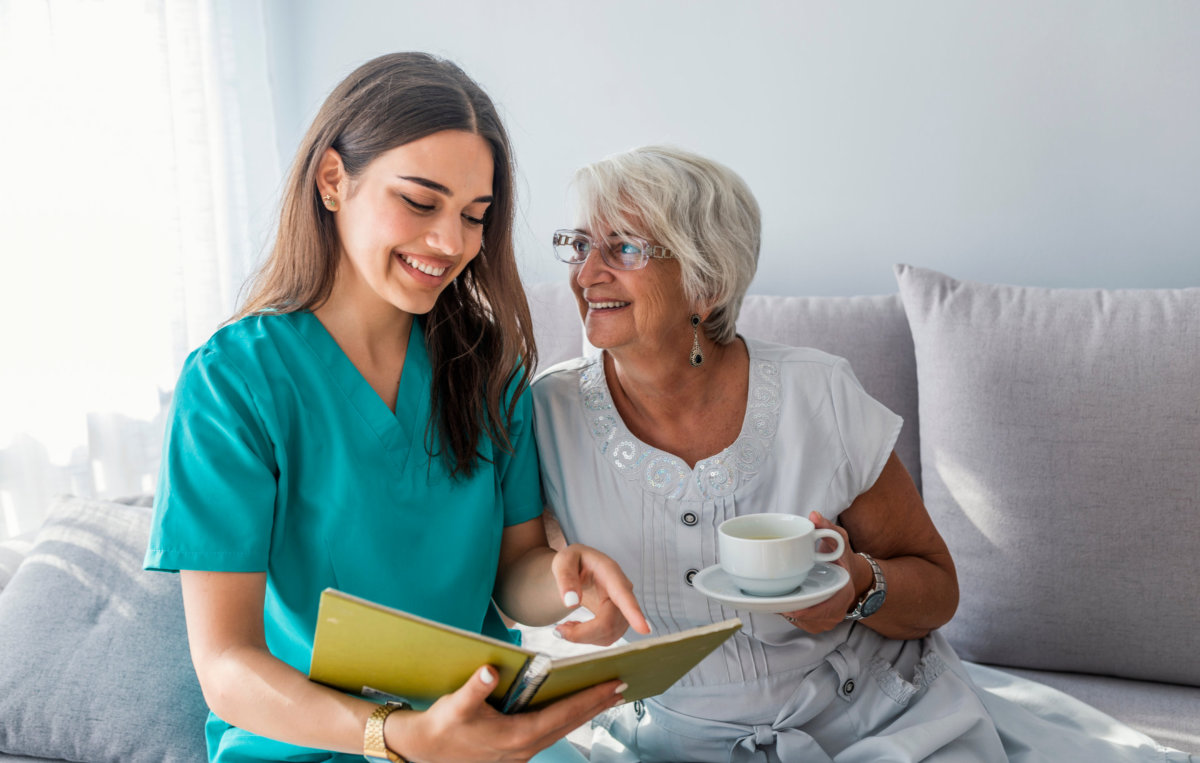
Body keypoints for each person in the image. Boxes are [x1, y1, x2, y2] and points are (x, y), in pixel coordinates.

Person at [532, 145, 1192, 762]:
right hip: (671, 741)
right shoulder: (547, 413)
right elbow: (516, 574)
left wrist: (856, 586)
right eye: (580, 245)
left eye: (622, 247)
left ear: (705, 282)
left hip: (873, 726)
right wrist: (566, 589)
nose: (587, 274)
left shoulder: (815, 393)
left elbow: (936, 586)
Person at [144, 52, 648, 763]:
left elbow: (516, 574)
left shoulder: (488, 367)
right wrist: (400, 736)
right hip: (309, 746)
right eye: (419, 201)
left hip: (483, 735)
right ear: (331, 180)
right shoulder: (233, 383)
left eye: (475, 216)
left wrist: (567, 583)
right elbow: (226, 664)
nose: (451, 243)